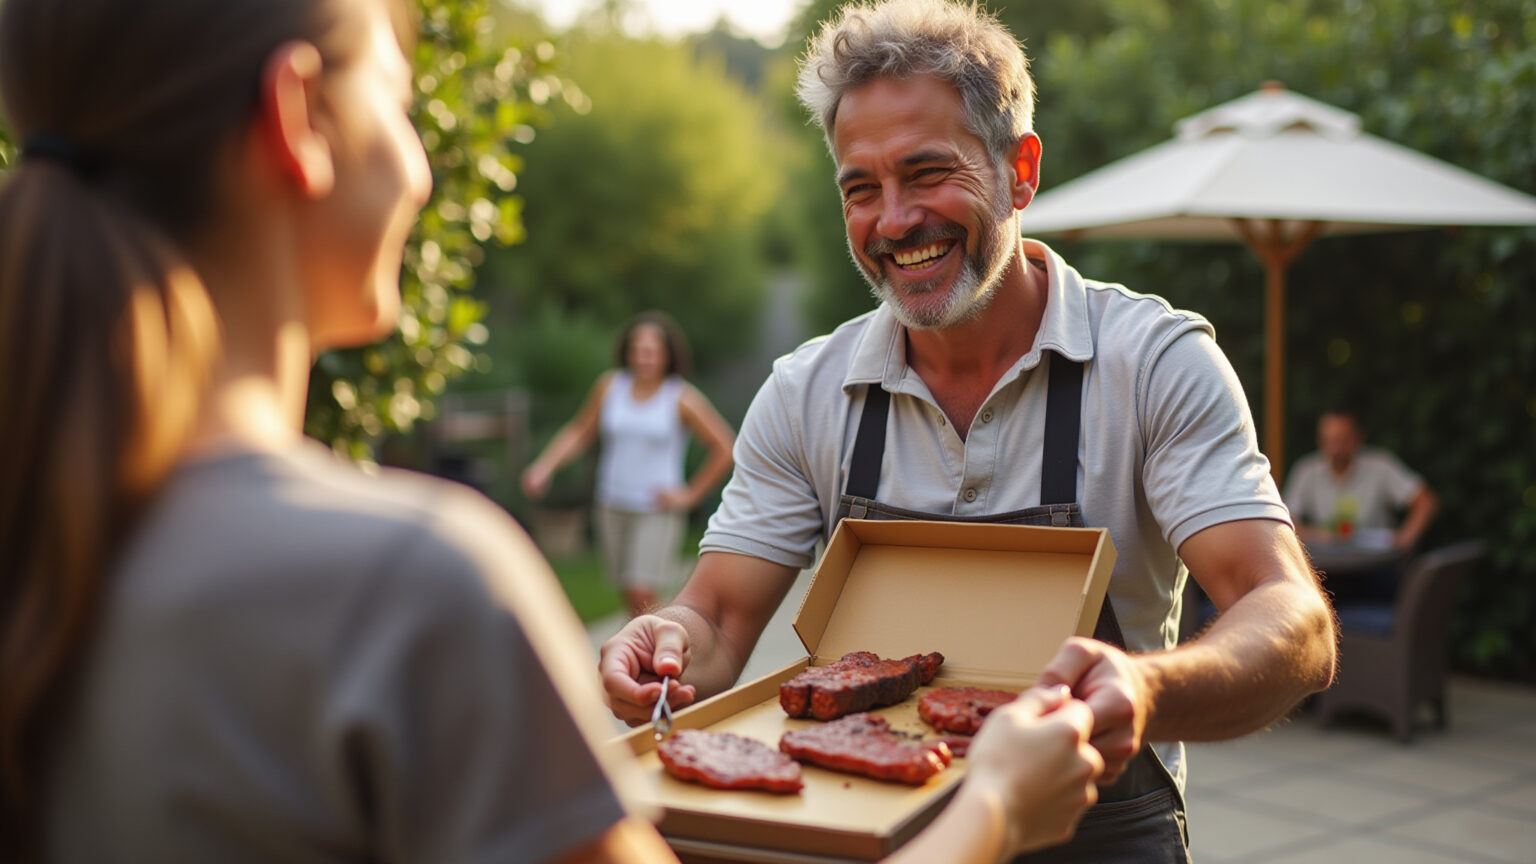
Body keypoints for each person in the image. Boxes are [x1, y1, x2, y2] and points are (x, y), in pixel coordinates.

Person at [0, 0, 1106, 861]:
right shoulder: (409, 581)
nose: (422, 164)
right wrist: (998, 806)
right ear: (299, 123)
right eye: (400, 100)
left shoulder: (49, 540)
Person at [598, 1, 1337, 861]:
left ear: (1020, 170)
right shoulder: (806, 393)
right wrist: (670, 641)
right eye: (861, 188)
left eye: (927, 172)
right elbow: (718, 621)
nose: (896, 220)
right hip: (865, 819)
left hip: (1101, 828)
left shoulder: (1153, 363)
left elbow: (1289, 618)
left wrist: (1141, 687)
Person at [521, 311, 736, 618]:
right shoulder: (610, 387)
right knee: (628, 594)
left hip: (656, 508)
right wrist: (544, 466)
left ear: (666, 355)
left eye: (650, 351)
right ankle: (642, 660)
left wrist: (689, 495)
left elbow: (725, 447)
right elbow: (580, 431)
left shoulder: (680, 398)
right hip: (612, 504)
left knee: (642, 592)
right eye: (636, 350)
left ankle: (661, 656)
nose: (642, 358)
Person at [1283, 407, 1438, 605]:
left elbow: (1425, 501)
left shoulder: (1379, 465)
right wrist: (1320, 534)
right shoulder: (1306, 470)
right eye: (1329, 441)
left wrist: (1406, 537)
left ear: (1358, 438)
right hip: (1328, 572)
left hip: (1376, 572)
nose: (1335, 448)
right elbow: (1286, 522)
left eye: (1342, 440)